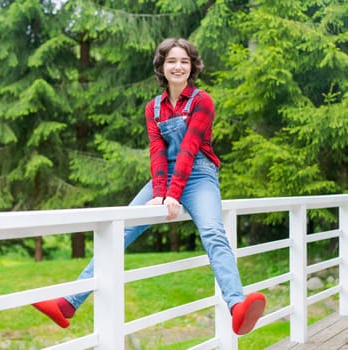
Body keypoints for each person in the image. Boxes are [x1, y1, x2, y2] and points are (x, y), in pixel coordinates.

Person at [33, 37, 266, 336]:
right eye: (171, 61)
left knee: (212, 232)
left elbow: (189, 149)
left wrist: (172, 195)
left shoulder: (202, 101)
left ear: (192, 66)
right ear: (162, 67)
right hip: (165, 178)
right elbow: (158, 152)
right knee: (120, 229)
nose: (178, 66)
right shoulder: (153, 108)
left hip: (199, 174)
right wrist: (159, 193)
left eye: (184, 61)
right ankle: (69, 303)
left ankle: (237, 306)